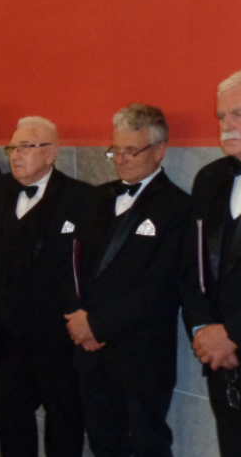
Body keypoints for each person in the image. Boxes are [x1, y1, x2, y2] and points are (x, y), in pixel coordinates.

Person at [0, 116, 91, 457]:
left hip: (57, 336)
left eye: (25, 147)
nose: (16, 155)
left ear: (51, 153)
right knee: (9, 413)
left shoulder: (80, 198)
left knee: (64, 417)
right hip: (8, 332)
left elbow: (86, 267)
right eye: (12, 147)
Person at [67, 104, 189, 457]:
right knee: (103, 442)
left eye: (131, 150)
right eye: (115, 150)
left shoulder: (177, 207)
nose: (120, 159)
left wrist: (97, 325)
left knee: (149, 444)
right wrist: (79, 320)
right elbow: (72, 265)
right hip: (90, 351)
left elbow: (162, 288)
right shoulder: (97, 198)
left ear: (160, 150)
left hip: (142, 354)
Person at [181, 69, 241, 457]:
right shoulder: (208, 179)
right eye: (221, 116)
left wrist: (234, 333)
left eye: (239, 114)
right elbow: (192, 266)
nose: (226, 125)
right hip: (223, 364)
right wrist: (204, 331)